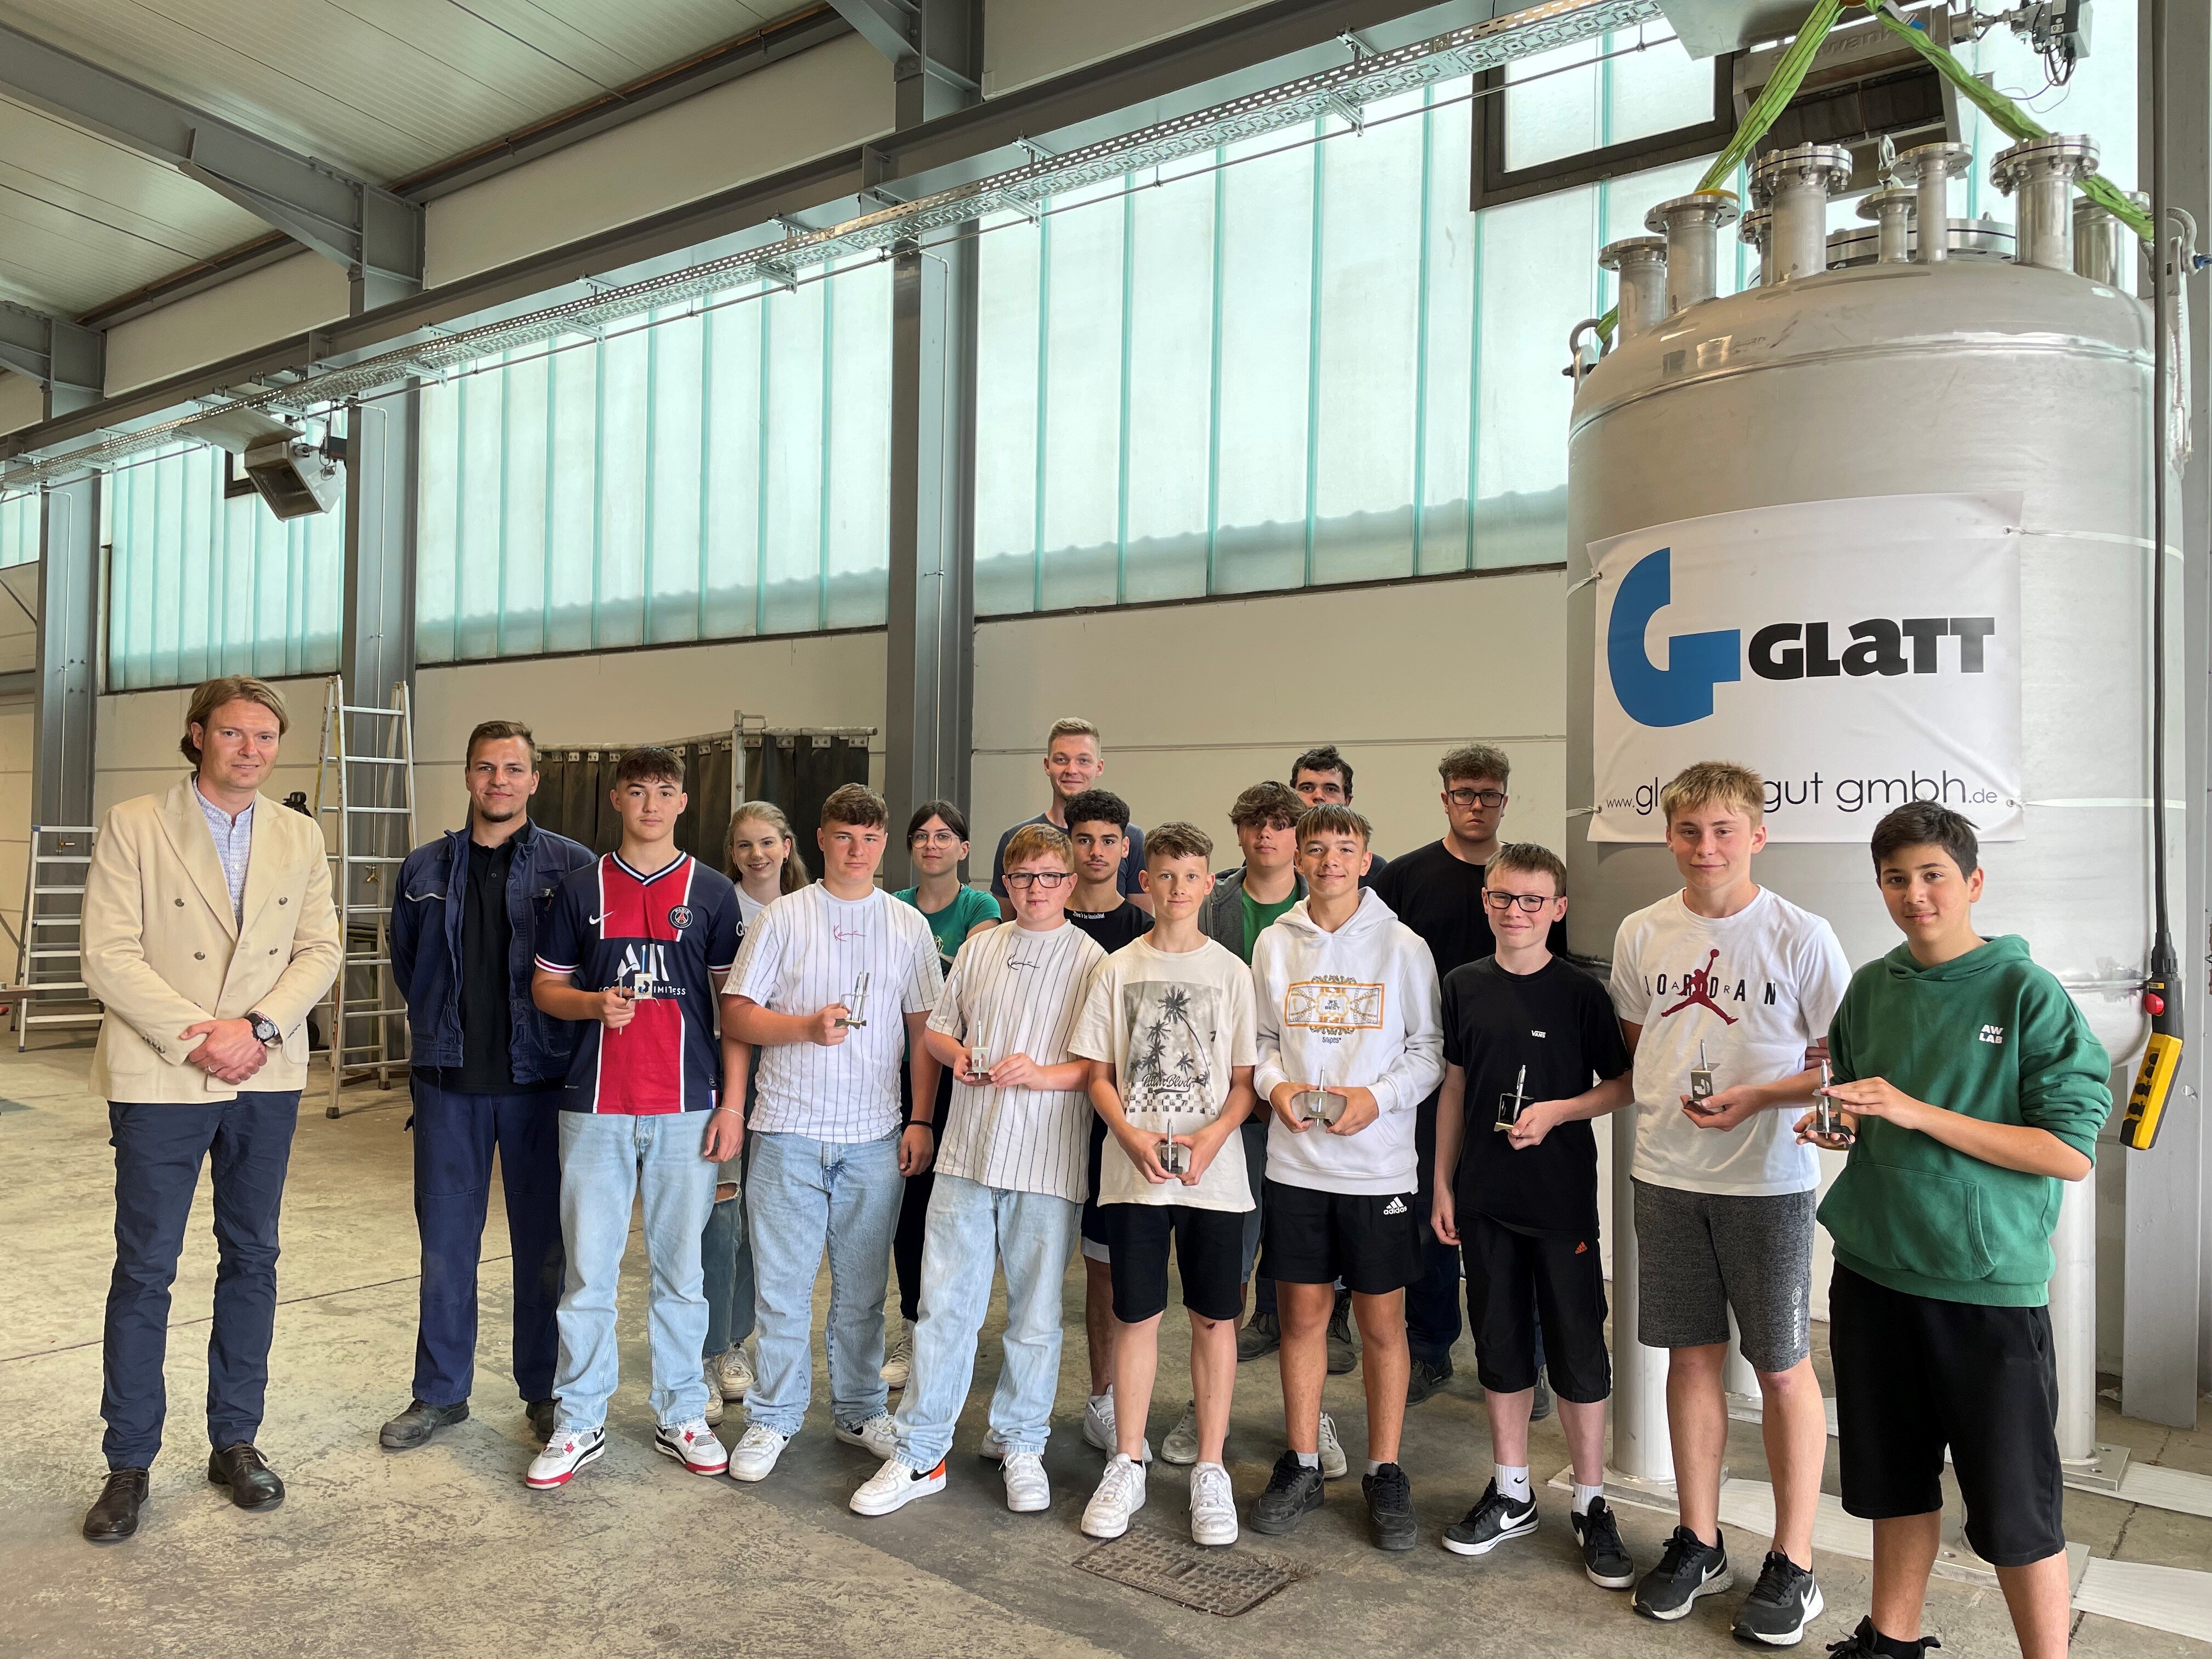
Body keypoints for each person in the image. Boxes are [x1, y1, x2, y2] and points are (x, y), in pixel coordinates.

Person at [1802, 803, 2106, 1659]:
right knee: (1893, 1483)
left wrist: (1916, 1112)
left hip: (1985, 1291)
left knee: (2015, 1509)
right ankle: (1890, 1642)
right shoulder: (1872, 986)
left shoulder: (2026, 993)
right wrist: (1843, 1125)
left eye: (1933, 875)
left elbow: (2067, 1153)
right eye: (1896, 879)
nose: (1916, 894)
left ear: (1973, 882)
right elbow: (1863, 1105)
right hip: (1873, 1273)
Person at [78, 676, 342, 1543]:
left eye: (266, 736)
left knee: (252, 1255)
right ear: (198, 735)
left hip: (264, 1069)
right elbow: (107, 954)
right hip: (163, 1071)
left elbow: (320, 947)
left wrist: (257, 1027)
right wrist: (203, 1037)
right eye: (233, 733)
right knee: (146, 1265)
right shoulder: (135, 824)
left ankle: (235, 1441)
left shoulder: (299, 834)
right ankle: (128, 1462)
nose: (251, 749)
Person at [1609, 760, 1849, 1642]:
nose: (1705, 847)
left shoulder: (1802, 935)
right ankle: (1699, 1540)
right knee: (1691, 1358)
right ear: (1669, 836)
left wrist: (1759, 1098)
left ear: (1757, 835)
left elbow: (1843, 1059)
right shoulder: (1643, 932)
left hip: (1767, 1182)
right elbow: (1643, 1043)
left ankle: (1795, 1561)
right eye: (1689, 831)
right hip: (1668, 1175)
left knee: (1783, 1367)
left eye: (1723, 830)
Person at [850, 823, 1105, 1517]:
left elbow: (1099, 1067)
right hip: (967, 1155)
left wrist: (1043, 1073)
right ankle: (920, 1450)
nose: (1036, 889)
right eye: (1022, 877)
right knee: (944, 1310)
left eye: (1050, 877)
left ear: (1070, 882)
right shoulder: (980, 947)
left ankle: (1021, 1441)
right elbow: (937, 1029)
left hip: (1046, 1162)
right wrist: (956, 1053)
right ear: (1005, 884)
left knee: (1035, 1316)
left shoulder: (1092, 961)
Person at [523, 746, 743, 1489]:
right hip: (595, 1106)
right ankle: (580, 1417)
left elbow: (733, 1010)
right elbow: (547, 988)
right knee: (588, 1272)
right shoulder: (579, 888)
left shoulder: (711, 892)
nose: (651, 804)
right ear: (617, 799)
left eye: (665, 791)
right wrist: (593, 1004)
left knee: (682, 1273)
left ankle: (681, 1411)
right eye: (638, 791)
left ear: (683, 802)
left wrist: (732, 1104)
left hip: (686, 1107)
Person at [720, 783, 944, 1482]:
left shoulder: (906, 926)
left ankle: (858, 1409)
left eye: (870, 838)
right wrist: (803, 1029)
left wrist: (920, 1118)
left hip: (874, 1137)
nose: (857, 850)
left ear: (885, 845)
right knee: (782, 1291)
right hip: (787, 1131)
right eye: (844, 836)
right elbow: (736, 1013)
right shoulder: (784, 917)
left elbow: (924, 1031)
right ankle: (773, 1415)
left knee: (862, 1294)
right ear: (820, 840)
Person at [380, 719, 593, 1453]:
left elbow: (587, 969)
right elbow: (409, 964)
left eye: (513, 768)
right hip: (449, 1086)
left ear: (534, 779)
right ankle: (441, 1394)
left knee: (545, 1249)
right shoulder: (424, 869)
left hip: (542, 1083)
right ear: (468, 776)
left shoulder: (572, 867)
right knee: (445, 1248)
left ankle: (545, 1391)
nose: (499, 781)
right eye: (485, 767)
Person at [1430, 843, 1635, 1590]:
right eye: (1502, 897)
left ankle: (1590, 1500)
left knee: (1578, 1346)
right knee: (1499, 1340)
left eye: (1531, 900)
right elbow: (1455, 1087)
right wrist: (1442, 1183)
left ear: (1558, 908)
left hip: (1559, 1204)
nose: (1515, 911)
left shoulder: (1580, 993)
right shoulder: (1462, 984)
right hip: (1485, 1200)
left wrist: (1558, 1112)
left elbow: (1624, 1085)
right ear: (1485, 901)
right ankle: (1512, 1490)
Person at [1243, 804, 1440, 1550]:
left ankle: (1385, 1470)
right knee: (1301, 1319)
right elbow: (1261, 1041)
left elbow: (1428, 1051)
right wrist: (1275, 1088)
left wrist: (1376, 1099)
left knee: (1382, 1325)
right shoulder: (1275, 942)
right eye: (1317, 848)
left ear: (1365, 859)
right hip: (1297, 1165)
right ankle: (1301, 1462)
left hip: (1378, 1168)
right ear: (1298, 858)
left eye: (1344, 848)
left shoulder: (1403, 946)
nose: (1330, 860)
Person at [1070, 822, 1258, 1547]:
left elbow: (1244, 1082)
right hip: (1134, 1174)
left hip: (1214, 1178)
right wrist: (1129, 1134)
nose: (1178, 889)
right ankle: (1127, 1461)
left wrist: (1212, 1139)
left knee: (1215, 1319)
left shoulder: (1231, 973)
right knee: (1136, 1317)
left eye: (1191, 876)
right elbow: (1097, 1074)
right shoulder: (1117, 969)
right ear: (1144, 882)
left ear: (1209, 884)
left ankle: (1211, 1467)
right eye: (1165, 876)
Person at [1372, 743, 1565, 1409]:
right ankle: (1430, 1349)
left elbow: (1554, 971)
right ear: (1446, 798)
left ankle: (1525, 1360)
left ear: (1505, 801)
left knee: (1517, 1220)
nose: (1476, 805)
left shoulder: (1528, 879)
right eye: (1464, 793)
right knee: (1433, 1213)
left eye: (1488, 795)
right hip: (1428, 1070)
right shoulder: (1405, 877)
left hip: (1515, 1075)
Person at [1194, 782, 1348, 1379]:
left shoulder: (1331, 902)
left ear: (1298, 837)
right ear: (1238, 832)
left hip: (1309, 1098)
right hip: (1232, 1098)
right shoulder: (1211, 904)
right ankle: (1215, 1388)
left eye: (1280, 824)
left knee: (1308, 1243)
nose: (1266, 834)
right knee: (1232, 1240)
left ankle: (1316, 1351)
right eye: (1254, 823)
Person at [886, 801, 1001, 1391]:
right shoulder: (893, 906)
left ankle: (952, 1327)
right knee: (910, 1208)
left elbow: (966, 981)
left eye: (944, 835)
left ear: (963, 848)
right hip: (899, 1074)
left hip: (960, 1073)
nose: (932, 844)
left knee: (955, 1211)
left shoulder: (981, 908)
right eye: (922, 836)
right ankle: (912, 1325)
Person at [702, 802, 811, 1424]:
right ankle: (709, 1346)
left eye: (767, 842)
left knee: (760, 1220)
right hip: (724, 1072)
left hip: (788, 1075)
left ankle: (736, 1341)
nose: (757, 855)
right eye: (744, 845)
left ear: (788, 846)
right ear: (732, 853)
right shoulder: (720, 906)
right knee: (720, 1215)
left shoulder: (807, 910)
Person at [1061, 787, 1153, 1457]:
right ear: (1068, 844)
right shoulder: (1039, 917)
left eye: (1108, 840)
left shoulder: (1143, 933)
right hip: (1040, 1119)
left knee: (1106, 1270)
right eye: (1084, 839)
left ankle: (1106, 1398)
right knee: (1032, 1271)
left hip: (1109, 1125)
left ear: (1126, 848)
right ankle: (1020, 1411)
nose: (1096, 851)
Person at [991, 718, 1148, 919]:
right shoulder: (1015, 838)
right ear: (1047, 765)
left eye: (1083, 760)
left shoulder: (1131, 837)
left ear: (1099, 767)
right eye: (1061, 760)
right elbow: (1008, 924)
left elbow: (1140, 925)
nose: (1072, 770)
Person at [1288, 744, 1386, 885]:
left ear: (1347, 801)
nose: (1318, 796)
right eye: (1307, 788)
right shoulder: (1269, 859)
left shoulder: (1376, 871)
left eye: (1330, 789)